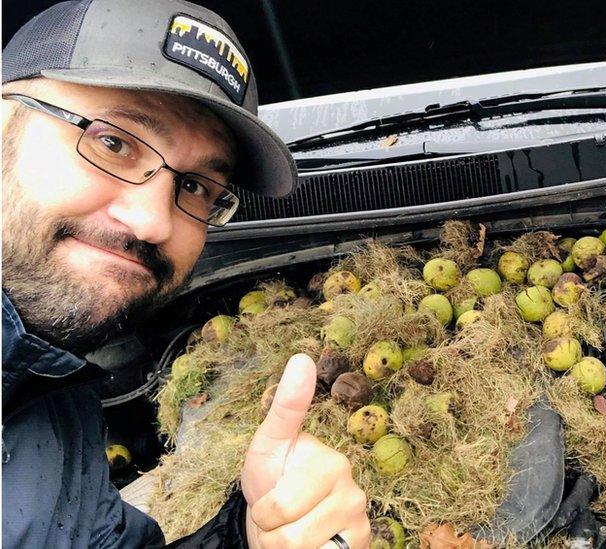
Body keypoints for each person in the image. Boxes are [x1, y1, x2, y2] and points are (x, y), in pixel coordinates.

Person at [1, 1, 371, 547]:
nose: (153, 221)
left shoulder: (51, 386)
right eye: (114, 142)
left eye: (195, 185)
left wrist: (250, 539)